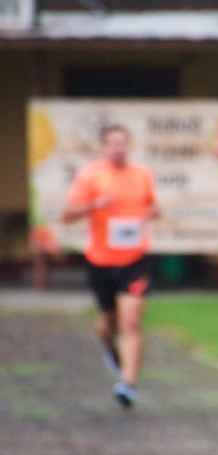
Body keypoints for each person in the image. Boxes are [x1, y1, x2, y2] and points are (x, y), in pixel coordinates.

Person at [62, 124, 161, 410]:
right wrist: (93, 205)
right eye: (113, 144)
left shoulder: (142, 175)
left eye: (123, 143)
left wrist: (153, 212)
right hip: (101, 261)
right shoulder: (91, 176)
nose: (118, 149)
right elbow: (67, 215)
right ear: (103, 147)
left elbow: (153, 207)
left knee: (131, 321)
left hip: (135, 260)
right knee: (108, 324)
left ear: (129, 146)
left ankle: (128, 384)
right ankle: (110, 348)